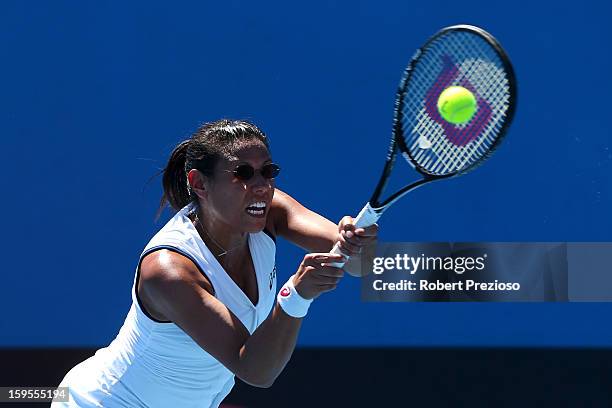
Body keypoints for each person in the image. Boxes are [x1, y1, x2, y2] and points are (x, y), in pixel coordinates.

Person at [52, 119, 377, 407]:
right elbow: (255, 370)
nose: (261, 186)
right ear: (199, 184)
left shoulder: (268, 209)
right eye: (243, 174)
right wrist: (297, 295)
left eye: (268, 171)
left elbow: (358, 265)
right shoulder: (169, 271)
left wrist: (357, 243)